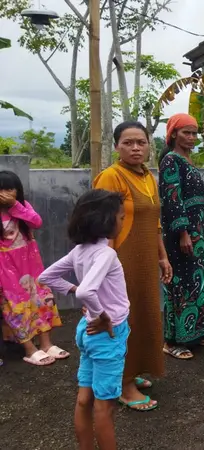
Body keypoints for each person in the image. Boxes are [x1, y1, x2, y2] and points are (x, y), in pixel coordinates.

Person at [39, 189, 132, 449]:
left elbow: (46, 277)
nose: (123, 222)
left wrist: (76, 294)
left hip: (86, 331)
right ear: (104, 220)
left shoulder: (79, 251)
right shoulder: (106, 254)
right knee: (105, 408)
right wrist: (102, 315)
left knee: (84, 400)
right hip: (106, 334)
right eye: (121, 217)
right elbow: (85, 290)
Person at [93, 121, 170, 411]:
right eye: (128, 142)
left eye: (141, 142)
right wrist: (102, 271)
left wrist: (162, 256)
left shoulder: (149, 177)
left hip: (146, 260)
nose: (136, 148)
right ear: (116, 147)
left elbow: (155, 223)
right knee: (123, 318)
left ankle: (134, 370)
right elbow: (99, 227)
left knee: (144, 314)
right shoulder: (110, 177)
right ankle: (123, 386)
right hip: (119, 260)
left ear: (149, 145)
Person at [159, 113, 204, 359]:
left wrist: (197, 231)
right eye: (186, 133)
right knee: (180, 283)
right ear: (173, 134)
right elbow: (172, 198)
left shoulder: (187, 160)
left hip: (197, 230)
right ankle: (172, 341)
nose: (192, 138)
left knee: (197, 282)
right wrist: (183, 232)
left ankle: (195, 332)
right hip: (181, 231)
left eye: (194, 133)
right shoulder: (171, 161)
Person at [0, 170, 67, 366]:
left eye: (10, 188)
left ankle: (46, 344)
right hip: (7, 268)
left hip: (31, 263)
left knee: (42, 299)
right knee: (15, 307)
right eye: (1, 189)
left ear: (18, 191)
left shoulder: (23, 207)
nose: (5, 192)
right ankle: (30, 349)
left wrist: (15, 206)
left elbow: (36, 222)